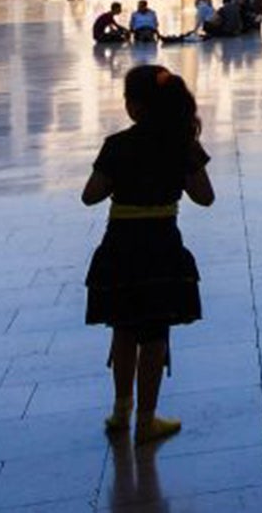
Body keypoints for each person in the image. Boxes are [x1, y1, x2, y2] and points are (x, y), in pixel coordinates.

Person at [82, 64, 214, 444]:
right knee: (155, 335)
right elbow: (205, 197)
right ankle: (147, 418)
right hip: (162, 248)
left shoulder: (117, 145)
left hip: (120, 247)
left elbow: (90, 194)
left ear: (135, 107)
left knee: (123, 330)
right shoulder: (183, 144)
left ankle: (120, 410)